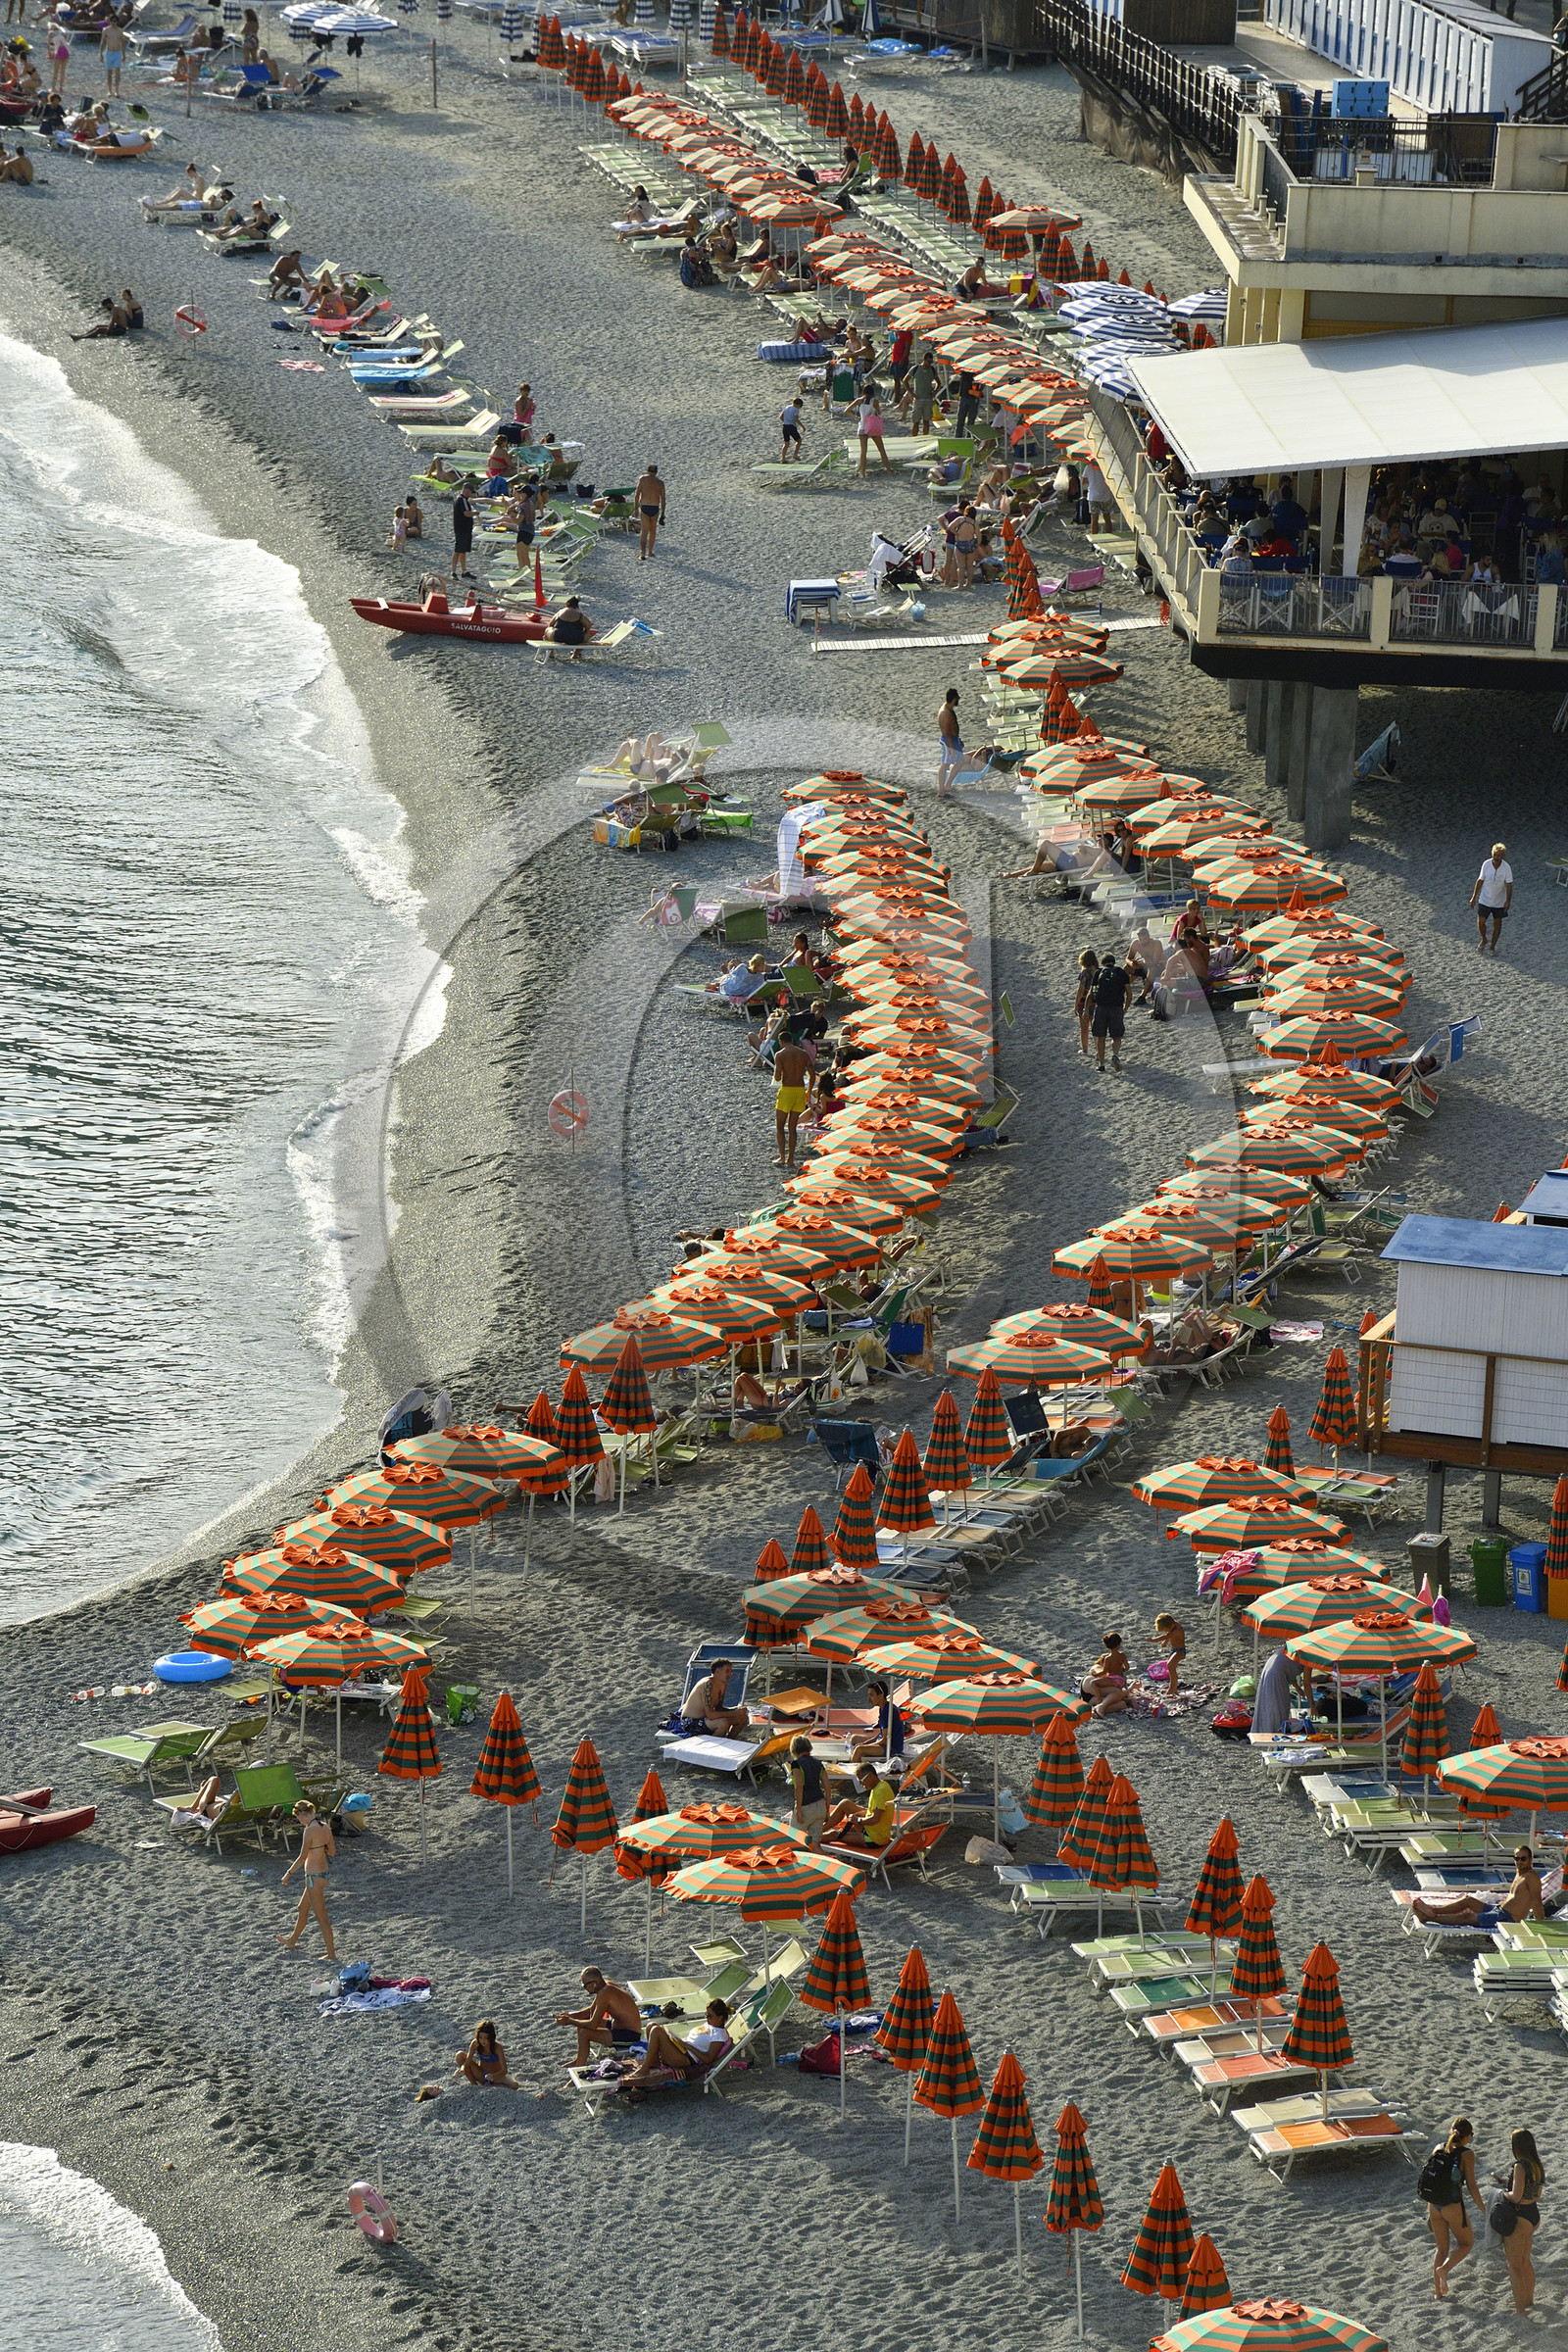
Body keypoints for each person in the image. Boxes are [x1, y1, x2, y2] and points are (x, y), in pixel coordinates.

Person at [617, 1998, 731, 2095]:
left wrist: (688, 2046)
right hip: (681, 2049)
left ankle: (645, 2069)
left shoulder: (719, 2035)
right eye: (706, 2014)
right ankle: (654, 2062)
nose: (707, 2018)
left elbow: (709, 2059)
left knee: (656, 2031)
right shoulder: (710, 2024)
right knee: (651, 2025)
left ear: (720, 2018)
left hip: (686, 2058)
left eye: (710, 2016)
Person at [1411, 1845, 1544, 1929]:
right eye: (1517, 1858)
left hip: (1508, 1919)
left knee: (1467, 1917)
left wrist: (1541, 1923)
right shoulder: (1520, 1873)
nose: (1519, 1861)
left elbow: (1536, 1901)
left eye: (1523, 1859)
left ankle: (1429, 1917)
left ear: (1530, 1860)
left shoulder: (1531, 1877)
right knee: (1468, 1900)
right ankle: (1434, 1910)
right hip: (1499, 1910)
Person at [1422, 2117, 1480, 2299]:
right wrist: (1483, 2208)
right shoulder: (1467, 2154)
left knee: (1442, 2249)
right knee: (1466, 2244)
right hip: (1452, 2206)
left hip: (1434, 2205)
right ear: (1468, 2136)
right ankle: (1444, 2270)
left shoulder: (1438, 2147)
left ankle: (1438, 2293)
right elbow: (1471, 2186)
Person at [1493, 2127, 1545, 2311]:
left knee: (1514, 2265)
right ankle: (1528, 2300)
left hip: (1519, 2216)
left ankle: (1520, 2310)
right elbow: (1536, 2195)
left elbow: (1515, 2197)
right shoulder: (1537, 2164)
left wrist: (1502, 2193)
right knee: (1525, 2261)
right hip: (1532, 2215)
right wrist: (1508, 2184)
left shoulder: (1520, 2165)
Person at [276, 1801, 336, 1958]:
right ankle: (292, 1940)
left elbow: (302, 1857)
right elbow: (332, 1852)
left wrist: (288, 1873)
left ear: (303, 1815)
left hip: (313, 1877)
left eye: (299, 1818)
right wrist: (319, 1848)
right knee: (302, 1908)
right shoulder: (325, 1826)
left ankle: (331, 1954)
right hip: (324, 1874)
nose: (300, 1822)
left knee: (322, 1918)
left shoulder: (310, 1830)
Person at [556, 1968, 643, 2066]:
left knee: (585, 2033)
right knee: (582, 2024)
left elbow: (593, 2025)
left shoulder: (604, 1993)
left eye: (585, 1985)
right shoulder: (605, 1986)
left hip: (630, 2035)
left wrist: (569, 2021)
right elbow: (591, 2011)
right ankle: (579, 2061)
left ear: (595, 1983)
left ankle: (579, 2068)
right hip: (619, 2025)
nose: (584, 1988)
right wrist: (570, 2015)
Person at [821, 1758, 897, 1850]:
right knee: (845, 1804)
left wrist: (858, 1820)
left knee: (833, 1834)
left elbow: (875, 1819)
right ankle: (820, 1829)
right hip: (873, 1829)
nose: (861, 1784)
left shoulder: (879, 1792)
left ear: (870, 1776)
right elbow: (878, 1812)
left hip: (874, 1839)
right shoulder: (882, 1785)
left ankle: (811, 1839)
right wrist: (864, 1812)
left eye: (861, 1780)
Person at [772, 1033, 811, 1167]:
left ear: (781, 1041)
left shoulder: (780, 1054)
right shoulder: (803, 1053)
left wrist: (780, 1071)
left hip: (787, 1090)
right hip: (800, 1090)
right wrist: (809, 1091)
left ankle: (782, 1157)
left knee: (780, 1126)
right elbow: (812, 1074)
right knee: (793, 1127)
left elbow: (777, 1077)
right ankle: (791, 1159)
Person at [683, 1658, 749, 1738]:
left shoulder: (722, 1684)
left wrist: (737, 1710)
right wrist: (734, 1713)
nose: (730, 1674)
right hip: (691, 1721)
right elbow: (710, 1714)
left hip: (706, 1720)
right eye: (727, 1671)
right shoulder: (707, 1684)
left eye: (730, 1671)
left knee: (742, 1718)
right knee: (723, 1723)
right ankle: (714, 1748)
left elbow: (719, 1709)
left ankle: (729, 1741)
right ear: (717, 1671)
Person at [1091, 950, 1132, 1075]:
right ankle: (1115, 1055)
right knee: (1116, 1036)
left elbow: (1091, 993)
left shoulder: (1098, 973)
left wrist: (1088, 1009)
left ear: (1103, 963)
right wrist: (1125, 1009)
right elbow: (1129, 993)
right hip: (1117, 1007)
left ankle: (1102, 1065)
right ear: (1114, 962)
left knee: (1100, 1036)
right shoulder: (1121, 972)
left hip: (1101, 1007)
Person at [1469, 839, 1512, 955]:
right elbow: (1480, 880)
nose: (1496, 857)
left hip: (1499, 902)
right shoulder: (1486, 864)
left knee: (1497, 924)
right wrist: (1474, 897)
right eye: (1494, 855)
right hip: (1484, 899)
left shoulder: (1506, 868)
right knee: (1481, 922)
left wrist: (1508, 901)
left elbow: (1509, 885)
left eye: (1498, 855)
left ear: (1502, 856)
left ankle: (1492, 946)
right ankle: (1484, 939)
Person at [848, 1677, 905, 1763]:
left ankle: (854, 1773)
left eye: (871, 1695)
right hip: (884, 1741)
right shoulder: (883, 1707)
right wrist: (867, 1742)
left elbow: (885, 1740)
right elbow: (882, 1732)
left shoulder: (888, 1711)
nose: (869, 1698)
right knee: (854, 1738)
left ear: (880, 1696)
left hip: (891, 1747)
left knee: (859, 1750)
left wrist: (866, 1746)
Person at [1250, 1643, 1302, 1736]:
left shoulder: (1292, 1649)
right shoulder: (1308, 1655)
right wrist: (1313, 1706)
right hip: (1275, 1675)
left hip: (1272, 1671)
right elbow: (1307, 1682)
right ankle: (1274, 1731)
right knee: (1278, 1705)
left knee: (1271, 1703)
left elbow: (1287, 1668)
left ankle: (1269, 1730)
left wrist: (1297, 1688)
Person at [455, 2020, 519, 2088]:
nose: (483, 2041)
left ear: (491, 2037)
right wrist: (462, 2069)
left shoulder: (497, 2047)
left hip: (496, 2076)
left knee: (514, 2084)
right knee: (460, 2055)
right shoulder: (475, 2044)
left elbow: (504, 2070)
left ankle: (493, 2087)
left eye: (486, 2038)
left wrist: (493, 2076)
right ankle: (475, 2086)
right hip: (482, 2075)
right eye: (480, 2037)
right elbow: (467, 2062)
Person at [788, 1733, 826, 1843]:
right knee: (815, 1845)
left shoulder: (796, 1764)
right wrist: (827, 1808)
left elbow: (799, 1787)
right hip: (820, 1805)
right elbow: (828, 1787)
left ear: (794, 1749)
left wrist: (798, 1810)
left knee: (794, 1840)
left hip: (806, 1806)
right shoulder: (818, 1763)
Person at [1081, 1633, 1128, 1715]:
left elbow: (1105, 1672)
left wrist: (1095, 1675)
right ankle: (1101, 1706)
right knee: (1120, 1700)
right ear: (1119, 1644)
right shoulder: (1122, 1655)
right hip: (1121, 1680)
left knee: (1093, 1683)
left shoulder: (1108, 1658)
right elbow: (1127, 1668)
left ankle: (1099, 1703)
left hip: (1113, 1680)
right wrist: (1121, 1670)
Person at [857, 386, 893, 477]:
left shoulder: (859, 400)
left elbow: (847, 410)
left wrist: (855, 417)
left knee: (863, 452)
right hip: (872, 427)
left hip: (862, 427)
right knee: (881, 450)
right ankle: (889, 470)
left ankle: (863, 473)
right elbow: (878, 412)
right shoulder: (875, 401)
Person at [545, 595, 595, 660]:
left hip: (558, 636)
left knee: (547, 630)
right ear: (576, 606)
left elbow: (551, 624)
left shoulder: (560, 612)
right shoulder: (579, 614)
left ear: (567, 603)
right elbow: (588, 624)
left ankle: (551, 653)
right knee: (587, 636)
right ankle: (575, 655)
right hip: (576, 638)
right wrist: (585, 631)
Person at [937, 686, 964, 794]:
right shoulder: (946, 713)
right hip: (948, 741)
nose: (958, 699)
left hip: (953, 739)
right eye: (957, 698)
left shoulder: (949, 709)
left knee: (960, 761)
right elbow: (947, 732)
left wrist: (958, 739)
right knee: (945, 764)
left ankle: (947, 785)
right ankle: (941, 790)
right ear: (953, 699)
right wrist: (952, 748)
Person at [635, 461, 663, 563]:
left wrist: (635, 508)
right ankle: (650, 552)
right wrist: (663, 513)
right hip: (655, 508)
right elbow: (663, 499)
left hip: (645, 507)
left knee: (644, 531)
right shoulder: (660, 483)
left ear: (647, 471)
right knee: (652, 531)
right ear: (656, 472)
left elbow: (637, 494)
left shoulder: (642, 479)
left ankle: (642, 553)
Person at [1073, 948, 1100, 1054]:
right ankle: (1098, 1050)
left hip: (1085, 1001)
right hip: (1096, 1001)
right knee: (1096, 1029)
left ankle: (1085, 1050)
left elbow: (1081, 989)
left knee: (1084, 1028)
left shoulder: (1085, 973)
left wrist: (1076, 1004)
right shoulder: (1097, 971)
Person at [907, 350, 938, 438]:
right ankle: (914, 439)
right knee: (916, 422)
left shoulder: (932, 370)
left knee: (926, 422)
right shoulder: (915, 369)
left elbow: (938, 382)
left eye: (931, 362)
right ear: (924, 360)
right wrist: (911, 393)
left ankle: (924, 438)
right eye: (928, 362)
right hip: (918, 399)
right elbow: (905, 380)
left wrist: (934, 392)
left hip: (928, 399)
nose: (929, 364)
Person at [1152, 1610, 1186, 1691]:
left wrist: (1152, 1640)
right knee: (1171, 1669)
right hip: (1173, 1650)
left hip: (1180, 1651)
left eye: (1166, 1630)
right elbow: (1168, 1634)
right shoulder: (1172, 1625)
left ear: (1171, 1625)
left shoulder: (1178, 1630)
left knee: (1170, 1665)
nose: (1166, 1632)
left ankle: (1172, 1688)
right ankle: (1174, 1687)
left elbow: (1166, 1636)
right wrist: (1166, 1641)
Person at [99, 11, 122, 92]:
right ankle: (109, 90)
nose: (113, 23)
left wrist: (124, 55)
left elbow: (122, 43)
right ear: (110, 21)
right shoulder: (106, 30)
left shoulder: (120, 31)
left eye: (115, 21)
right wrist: (100, 54)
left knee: (117, 73)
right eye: (112, 21)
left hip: (117, 52)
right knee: (109, 73)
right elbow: (102, 42)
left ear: (117, 22)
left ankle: (117, 91)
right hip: (109, 52)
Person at [778, 394, 804, 464]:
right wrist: (802, 426)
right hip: (791, 427)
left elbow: (780, 417)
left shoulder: (786, 407)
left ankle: (783, 458)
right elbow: (796, 419)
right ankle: (795, 454)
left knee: (786, 443)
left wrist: (786, 421)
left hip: (785, 427)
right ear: (798, 405)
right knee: (799, 440)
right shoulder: (795, 410)